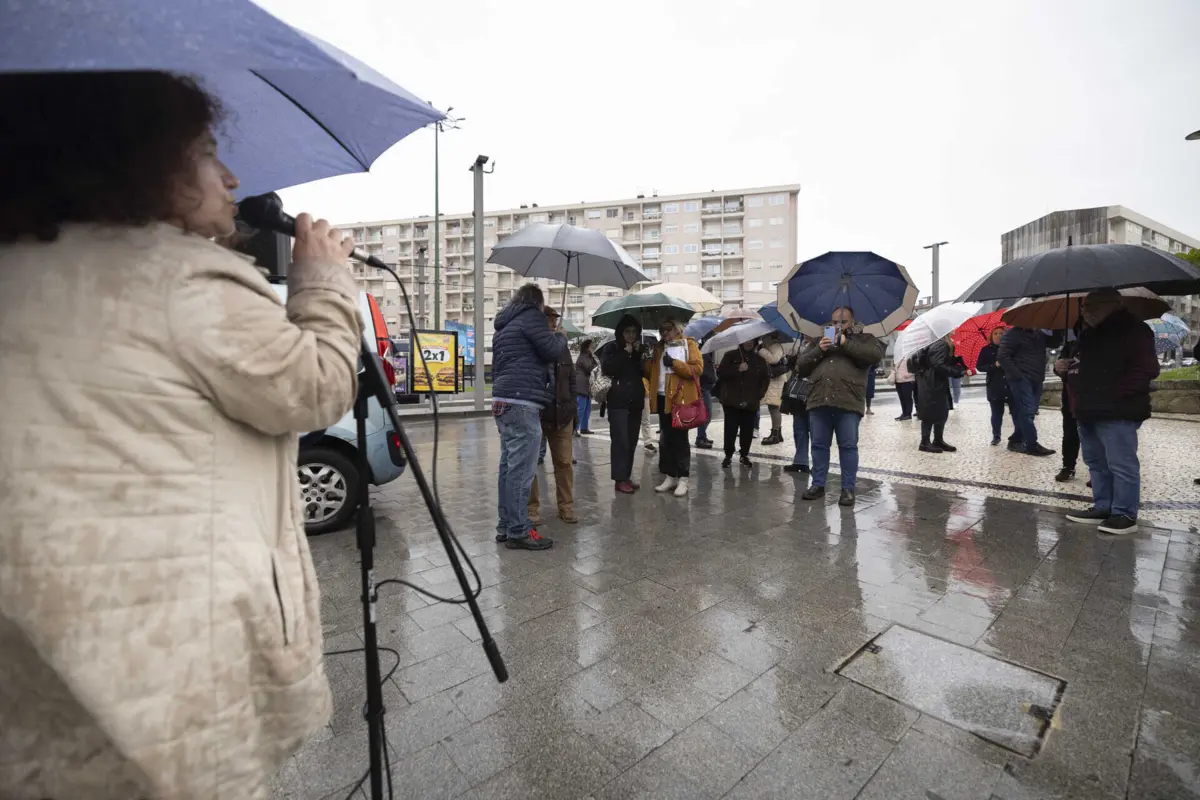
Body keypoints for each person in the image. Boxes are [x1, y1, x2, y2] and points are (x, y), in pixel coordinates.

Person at [0, 72, 361, 798]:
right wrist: (323, 282)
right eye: (204, 152)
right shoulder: (182, 282)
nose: (231, 177)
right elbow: (315, 384)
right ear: (133, 159)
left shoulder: (19, 270)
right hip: (172, 655)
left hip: (40, 651)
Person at [1064, 288, 1159, 534]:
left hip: (1118, 409)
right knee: (1096, 462)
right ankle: (1103, 506)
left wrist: (1113, 395)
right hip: (1087, 408)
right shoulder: (1089, 333)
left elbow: (1146, 369)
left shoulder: (1135, 330)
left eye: (1089, 306)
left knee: (1121, 463)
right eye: (1083, 306)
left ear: (1111, 305)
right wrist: (1065, 368)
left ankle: (1124, 513)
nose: (1084, 311)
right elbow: (1086, 368)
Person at [491, 283, 567, 550]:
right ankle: (519, 530)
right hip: (522, 401)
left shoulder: (503, 326)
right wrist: (560, 336)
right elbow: (551, 350)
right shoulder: (532, 317)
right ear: (537, 302)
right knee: (522, 470)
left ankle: (505, 525)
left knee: (508, 467)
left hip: (503, 400)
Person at [794, 307, 886, 506]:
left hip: (848, 401)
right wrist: (820, 349)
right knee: (818, 445)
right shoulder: (818, 341)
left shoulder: (865, 339)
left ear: (852, 322)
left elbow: (874, 356)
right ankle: (818, 485)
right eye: (834, 322)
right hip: (819, 400)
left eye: (842, 322)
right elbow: (801, 366)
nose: (838, 326)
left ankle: (848, 489)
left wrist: (846, 344)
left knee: (848, 446)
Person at [528, 308, 578, 525]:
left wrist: (573, 405)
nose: (551, 323)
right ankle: (532, 510)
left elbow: (572, 379)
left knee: (564, 463)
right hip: (538, 413)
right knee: (531, 465)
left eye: (554, 320)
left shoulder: (563, 347)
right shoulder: (534, 345)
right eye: (547, 319)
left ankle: (566, 507)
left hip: (563, 414)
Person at [645, 317, 703, 496]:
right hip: (662, 397)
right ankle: (670, 476)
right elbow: (651, 372)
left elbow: (698, 368)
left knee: (680, 438)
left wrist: (675, 364)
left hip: (680, 398)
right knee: (666, 439)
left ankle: (683, 479)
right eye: (662, 330)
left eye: (668, 329)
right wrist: (647, 359)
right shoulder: (659, 348)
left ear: (677, 329)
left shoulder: (689, 345)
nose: (665, 334)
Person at [602, 315, 647, 493]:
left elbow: (646, 372)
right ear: (621, 333)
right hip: (618, 401)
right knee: (620, 441)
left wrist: (641, 355)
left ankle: (626, 475)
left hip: (635, 400)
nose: (630, 335)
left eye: (634, 332)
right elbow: (608, 368)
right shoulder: (611, 348)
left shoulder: (639, 350)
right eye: (627, 332)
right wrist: (624, 354)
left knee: (632, 441)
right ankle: (619, 479)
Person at [999, 326, 1055, 457]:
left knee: (1030, 411)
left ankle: (1016, 439)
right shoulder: (1012, 334)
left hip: (1037, 378)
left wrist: (1057, 329)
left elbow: (1054, 343)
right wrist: (1017, 374)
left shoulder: (1039, 333)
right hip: (1021, 379)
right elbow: (1002, 356)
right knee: (1027, 411)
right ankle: (1032, 444)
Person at [718, 339, 772, 467]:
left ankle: (744, 454)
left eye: (751, 341)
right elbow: (720, 373)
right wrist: (737, 369)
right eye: (746, 341)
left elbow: (765, 379)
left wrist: (759, 395)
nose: (748, 343)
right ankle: (728, 455)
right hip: (732, 400)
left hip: (750, 402)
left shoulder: (759, 360)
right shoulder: (730, 356)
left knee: (747, 431)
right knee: (730, 430)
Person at [911, 334, 965, 453]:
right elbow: (938, 364)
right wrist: (956, 372)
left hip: (932, 382)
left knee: (941, 412)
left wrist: (955, 360)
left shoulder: (937, 342)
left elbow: (938, 361)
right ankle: (925, 443)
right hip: (933, 384)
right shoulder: (941, 343)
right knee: (931, 413)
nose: (954, 329)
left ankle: (938, 440)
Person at [976, 326, 1021, 447]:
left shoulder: (1012, 349)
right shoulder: (986, 350)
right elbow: (980, 366)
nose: (998, 335)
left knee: (1016, 412)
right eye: (995, 333)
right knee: (996, 413)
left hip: (1011, 384)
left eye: (1001, 333)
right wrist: (993, 365)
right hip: (995, 385)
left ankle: (1018, 435)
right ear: (991, 336)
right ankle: (996, 436)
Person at [1052, 327, 1081, 481]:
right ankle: (1068, 466)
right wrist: (1058, 367)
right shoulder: (1070, 344)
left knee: (1096, 436)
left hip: (1093, 397)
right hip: (1070, 396)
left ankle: (1099, 471)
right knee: (1070, 433)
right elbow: (1059, 368)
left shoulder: (1103, 341)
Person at [784, 336, 816, 474]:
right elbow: (794, 370)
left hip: (812, 393)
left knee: (815, 432)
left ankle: (818, 463)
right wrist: (791, 359)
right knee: (799, 430)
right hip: (797, 395)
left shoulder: (821, 344)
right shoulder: (800, 345)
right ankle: (800, 461)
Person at [759, 335, 789, 443]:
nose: (762, 339)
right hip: (773, 380)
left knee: (774, 406)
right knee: (772, 406)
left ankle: (775, 434)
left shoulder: (775, 346)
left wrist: (762, 351)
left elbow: (774, 360)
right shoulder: (769, 346)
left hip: (777, 380)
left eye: (764, 337)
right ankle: (777, 433)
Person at [694, 348, 718, 449]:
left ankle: (702, 436)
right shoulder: (701, 355)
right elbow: (702, 372)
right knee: (706, 415)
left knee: (706, 415)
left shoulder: (706, 355)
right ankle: (700, 438)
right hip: (704, 389)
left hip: (707, 388)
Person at [573, 338, 596, 436]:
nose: (593, 347)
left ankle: (584, 427)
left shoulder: (588, 356)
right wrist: (593, 358)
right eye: (592, 345)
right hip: (581, 385)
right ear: (588, 347)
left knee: (587, 408)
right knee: (581, 408)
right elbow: (589, 367)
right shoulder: (583, 356)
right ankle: (575, 428)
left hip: (586, 385)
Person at [889, 356, 916, 421]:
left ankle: (908, 414)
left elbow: (915, 369)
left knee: (907, 397)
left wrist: (908, 374)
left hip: (907, 380)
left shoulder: (910, 356)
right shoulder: (898, 357)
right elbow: (894, 367)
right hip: (898, 380)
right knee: (902, 398)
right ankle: (904, 413)